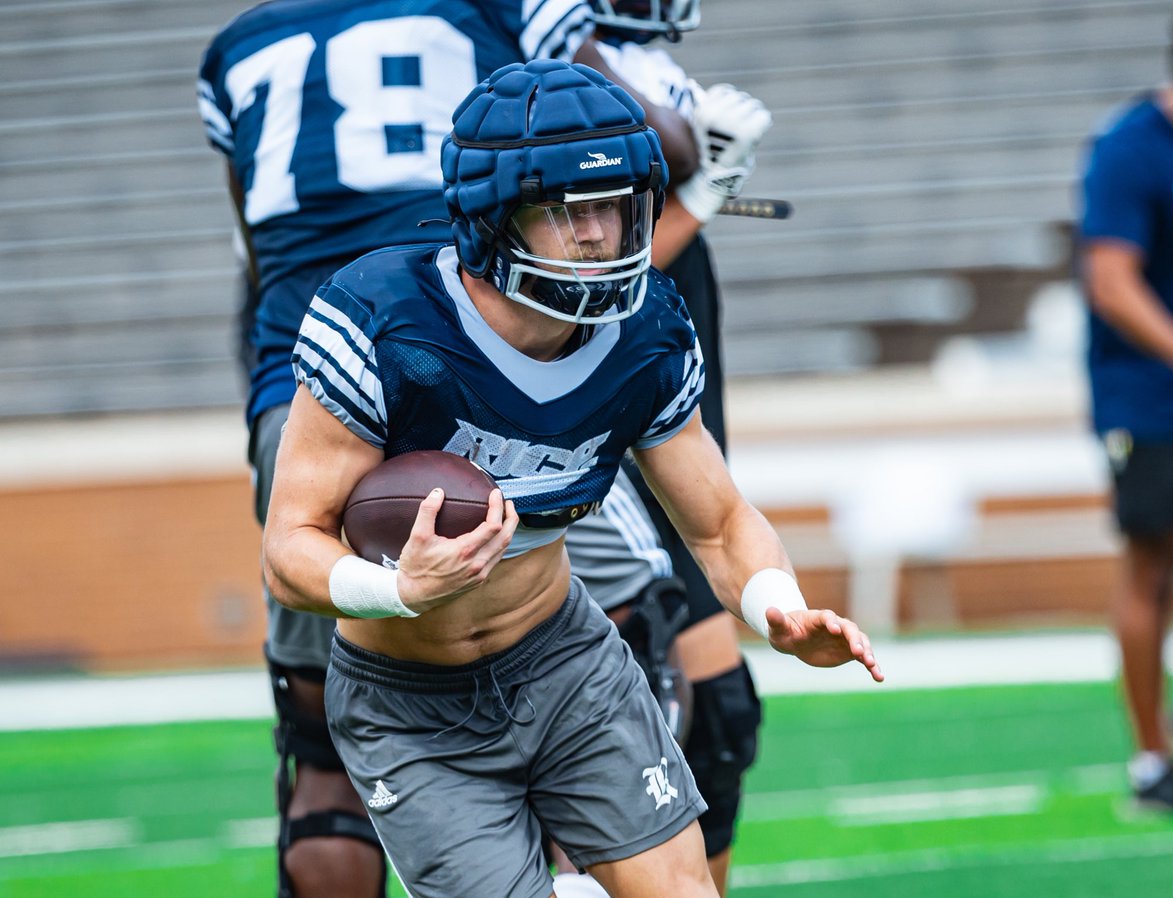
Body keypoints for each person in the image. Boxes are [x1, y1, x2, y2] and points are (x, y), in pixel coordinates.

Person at [262, 59, 884, 898]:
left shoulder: (646, 332)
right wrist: (398, 589)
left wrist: (778, 606)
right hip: (409, 703)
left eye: (614, 206)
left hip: (565, 660)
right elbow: (288, 549)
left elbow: (719, 522)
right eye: (566, 209)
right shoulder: (387, 322)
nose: (598, 234)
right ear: (493, 216)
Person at [197, 3, 701, 896]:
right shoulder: (489, 8)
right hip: (467, 330)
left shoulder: (238, 46)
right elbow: (638, 142)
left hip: (305, 366)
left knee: (321, 760)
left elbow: (253, 253)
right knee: (644, 635)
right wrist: (699, 154)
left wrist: (279, 385)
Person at [555, 3, 774, 894]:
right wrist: (702, 192)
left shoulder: (626, 56)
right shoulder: (548, 60)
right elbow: (577, 280)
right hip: (602, 433)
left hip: (665, 416)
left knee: (713, 721)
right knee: (622, 726)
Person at [1078, 0, 1173, 810]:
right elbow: (1111, 282)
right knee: (1154, 560)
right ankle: (1152, 757)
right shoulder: (1131, 148)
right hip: (1149, 396)